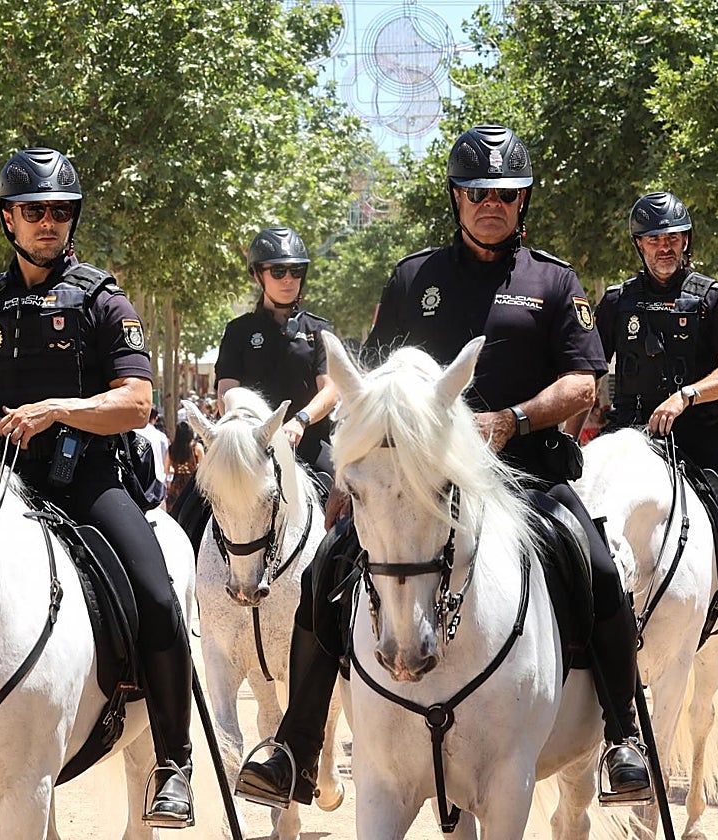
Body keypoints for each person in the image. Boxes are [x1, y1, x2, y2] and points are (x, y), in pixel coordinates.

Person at [238, 124, 651, 809]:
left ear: (522, 202)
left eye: (505, 194)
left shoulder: (553, 279)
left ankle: (622, 738)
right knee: (325, 567)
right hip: (420, 480)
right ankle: (298, 744)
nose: (491, 203)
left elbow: (583, 383)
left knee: (596, 564)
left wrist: (511, 419)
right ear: (456, 198)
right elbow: (368, 384)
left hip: (526, 472)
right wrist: (349, 472)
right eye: (477, 192)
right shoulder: (413, 277)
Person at [0, 147, 194, 825]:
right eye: (34, 211)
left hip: (85, 480)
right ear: (9, 220)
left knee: (160, 599)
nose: (48, 222)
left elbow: (137, 403)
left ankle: (173, 761)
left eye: (60, 211)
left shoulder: (103, 298)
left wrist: (57, 409)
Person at [591, 191, 718, 686]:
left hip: (698, 435)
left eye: (673, 239)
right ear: (639, 246)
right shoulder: (616, 302)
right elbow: (586, 370)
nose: (664, 248)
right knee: (578, 515)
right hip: (629, 436)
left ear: (686, 242)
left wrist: (686, 396)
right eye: (654, 240)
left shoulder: (713, 296)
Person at [214, 226, 338, 477]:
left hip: (308, 444)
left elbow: (330, 390)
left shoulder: (319, 329)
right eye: (279, 271)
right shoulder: (238, 331)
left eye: (296, 270)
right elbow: (226, 393)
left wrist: (301, 420)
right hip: (250, 447)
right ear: (258, 275)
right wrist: (254, 431)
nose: (289, 279)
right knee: (193, 506)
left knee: (350, 498)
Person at [164, 419, 203, 510]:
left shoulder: (171, 449)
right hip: (192, 487)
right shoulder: (196, 448)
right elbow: (203, 469)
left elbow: (166, 470)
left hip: (176, 487)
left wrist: (179, 469)